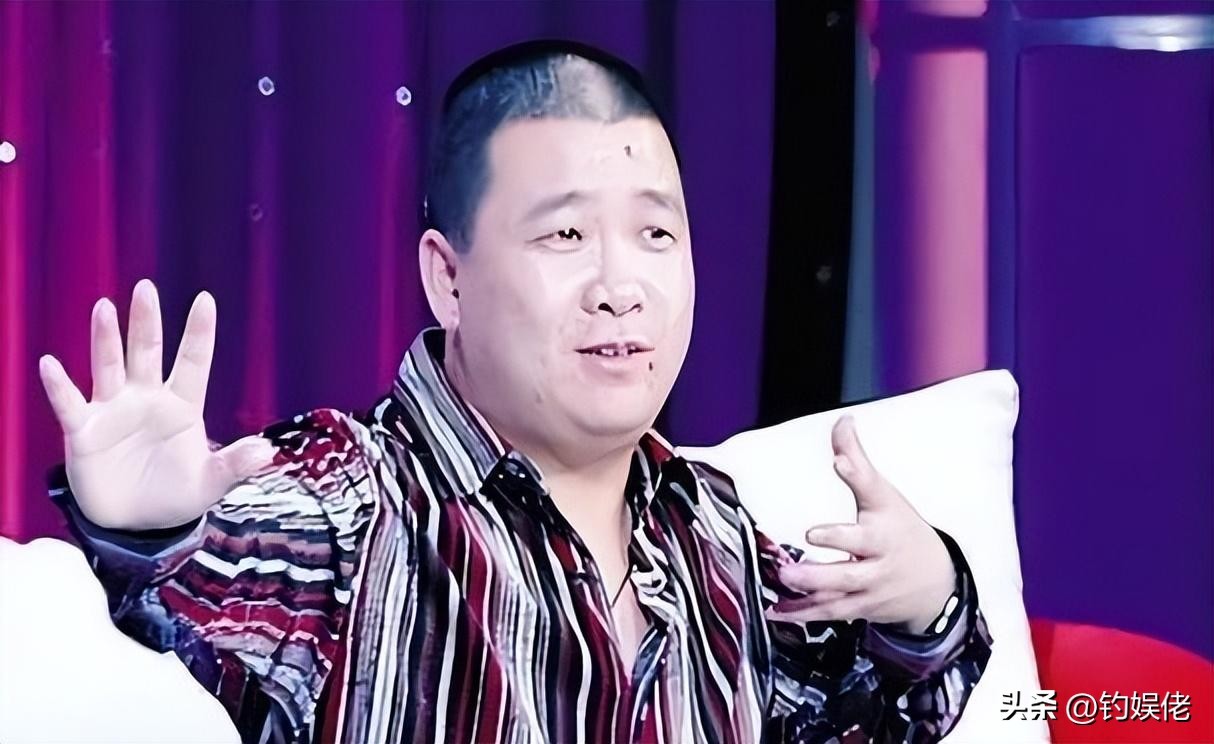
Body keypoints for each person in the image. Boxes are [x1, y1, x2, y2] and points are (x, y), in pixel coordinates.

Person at [38, 40, 991, 744]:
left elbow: (884, 714)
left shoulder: (715, 536)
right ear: (447, 278)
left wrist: (929, 598)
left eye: (657, 235)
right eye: (565, 236)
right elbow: (208, 580)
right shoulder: (353, 507)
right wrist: (149, 530)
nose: (621, 286)